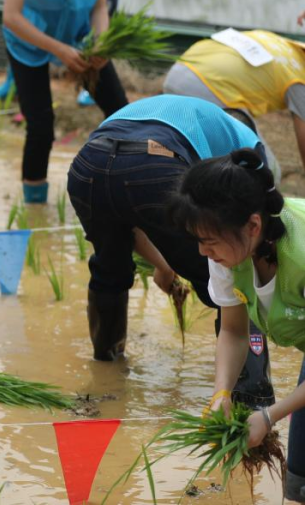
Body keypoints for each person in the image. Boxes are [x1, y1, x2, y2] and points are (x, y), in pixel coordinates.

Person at [68, 95, 275, 405]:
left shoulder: (194, 116)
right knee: (237, 279)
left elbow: (129, 214)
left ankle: (106, 374)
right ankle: (251, 399)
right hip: (154, 164)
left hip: (88, 163)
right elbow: (242, 237)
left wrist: (164, 266)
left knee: (109, 268)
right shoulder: (250, 147)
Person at [167, 148, 305, 501]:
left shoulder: (301, 255)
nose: (202, 252)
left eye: (208, 241)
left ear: (254, 225)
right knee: (299, 480)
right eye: (198, 240)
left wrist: (270, 416)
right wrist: (221, 394)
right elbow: (232, 330)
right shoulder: (231, 251)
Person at [3, 0, 129, 204]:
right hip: (30, 38)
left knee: (122, 113)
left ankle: (126, 187)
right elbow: (12, 16)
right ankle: (34, 201)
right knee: (41, 124)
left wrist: (99, 46)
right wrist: (57, 50)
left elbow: (100, 7)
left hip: (80, 40)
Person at [164, 28, 305, 178]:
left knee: (200, 155)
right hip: (209, 87)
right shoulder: (299, 78)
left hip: (179, 70)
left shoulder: (284, 46)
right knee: (266, 172)